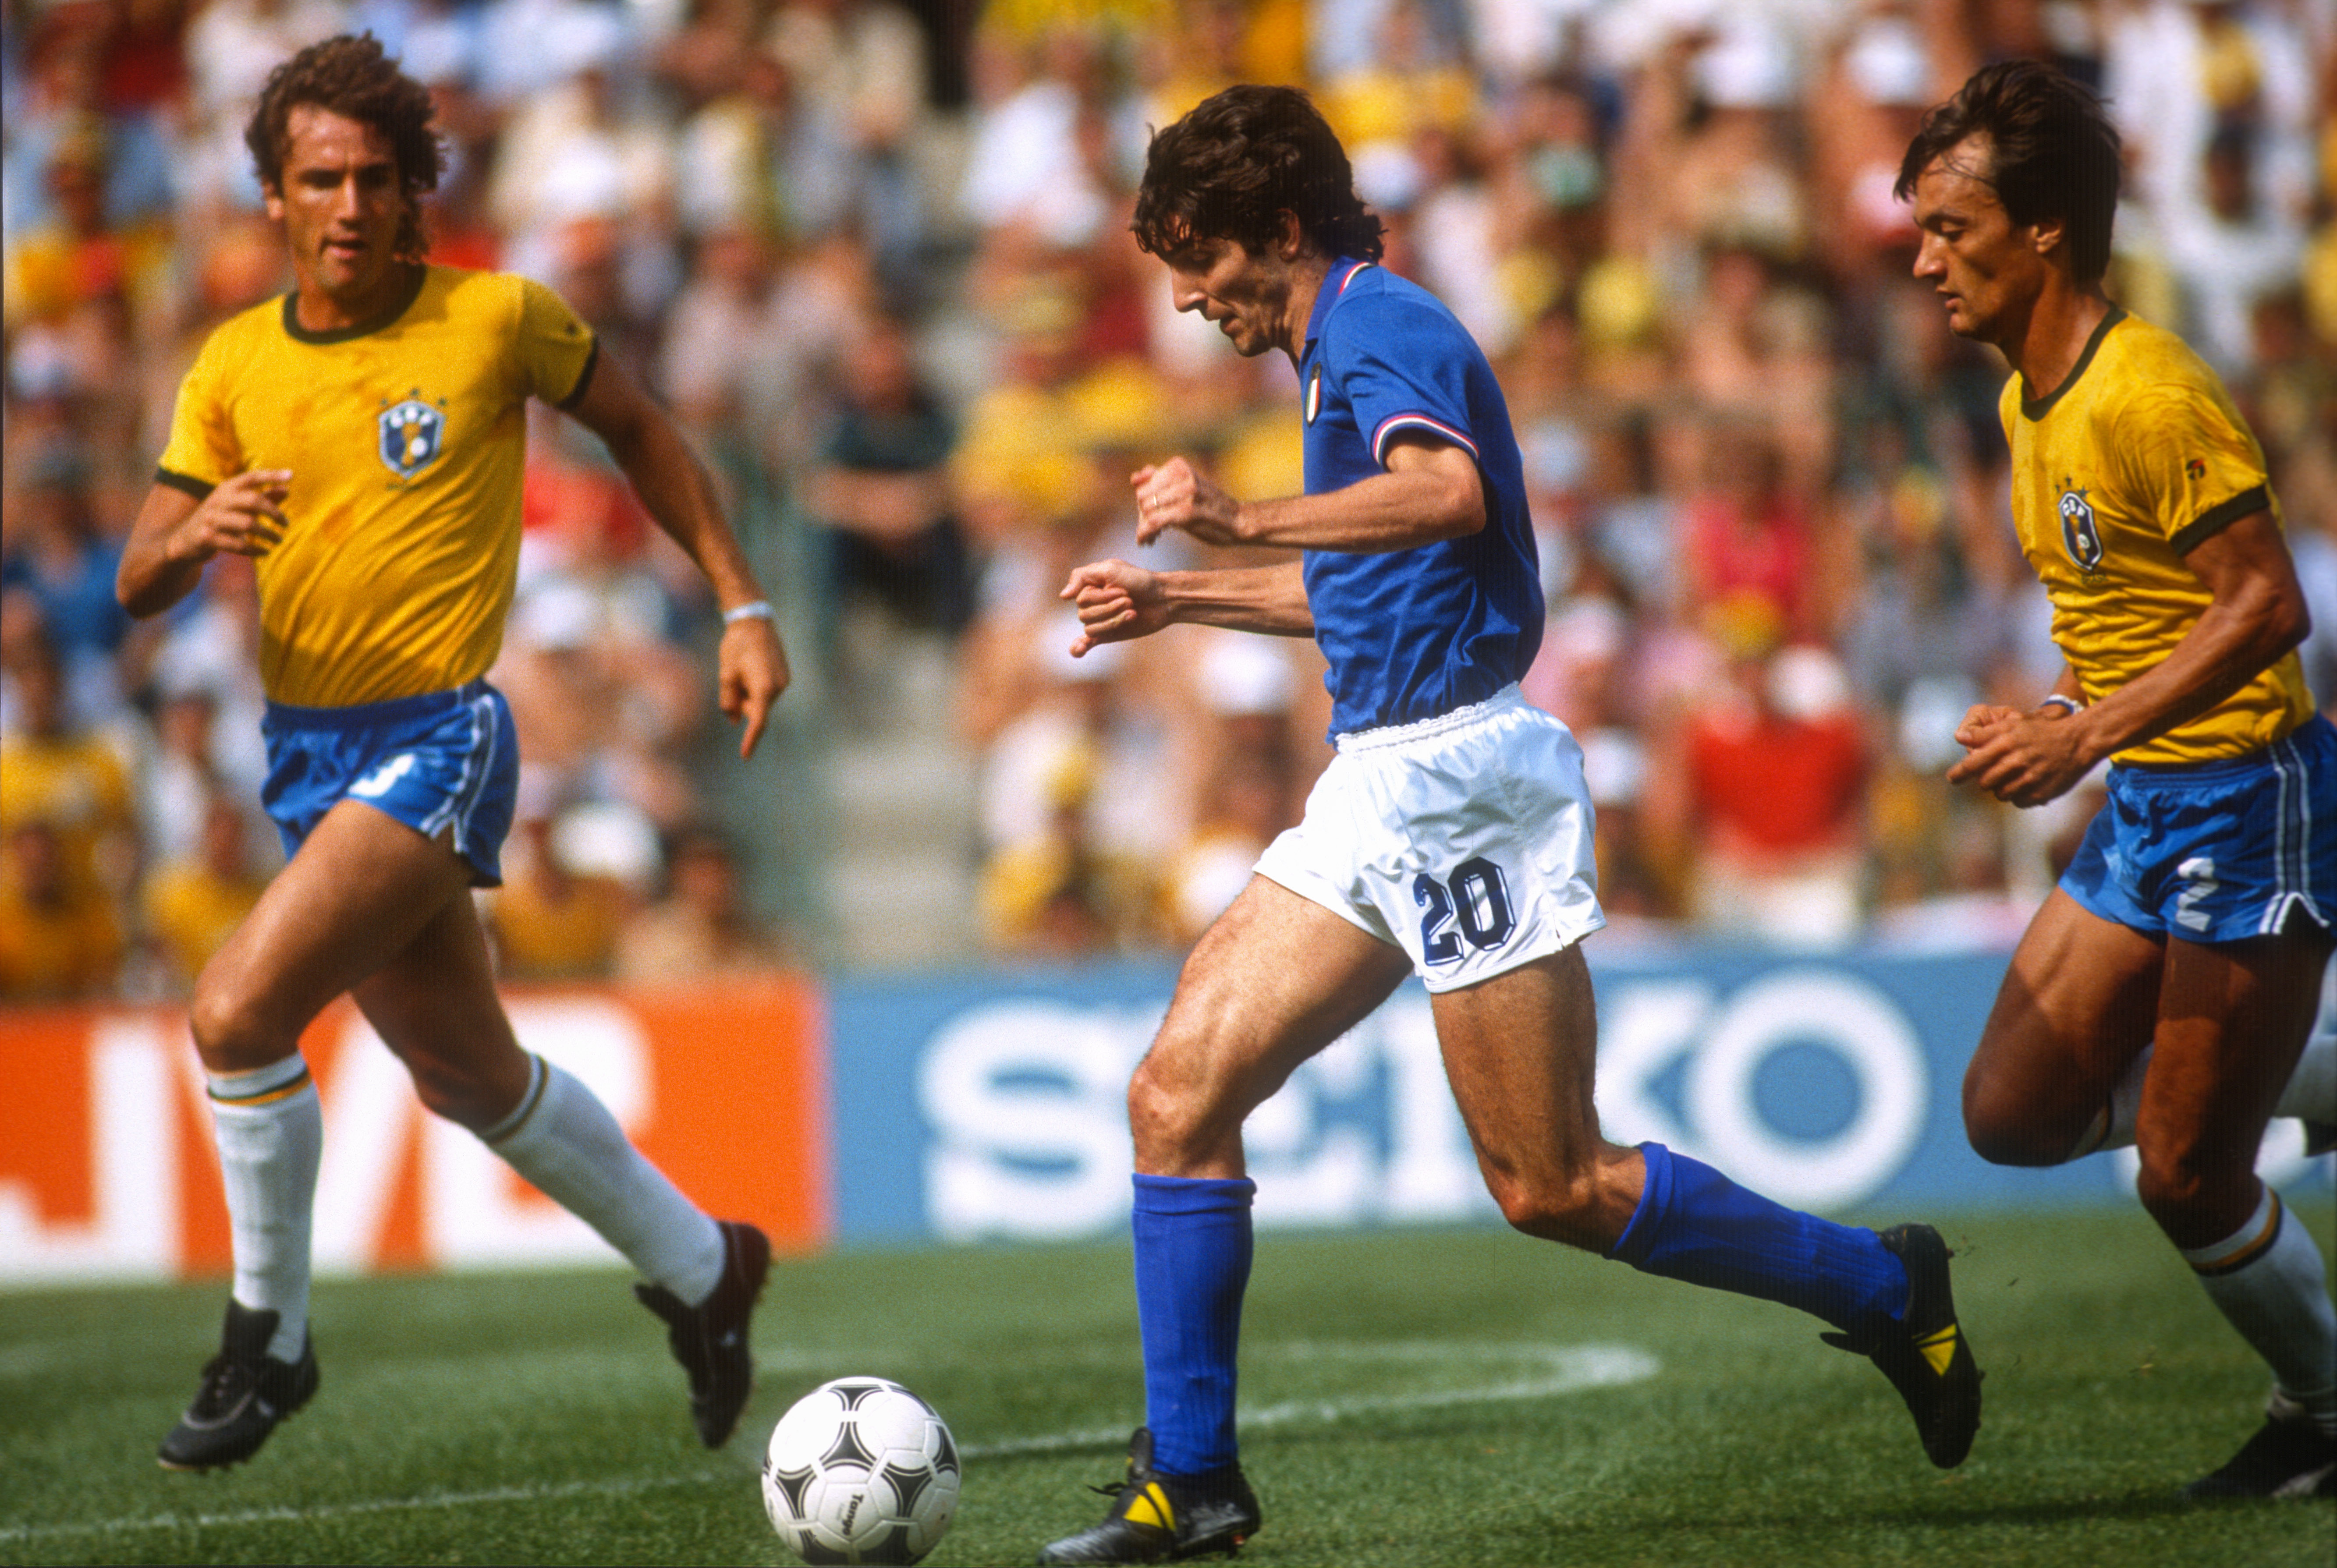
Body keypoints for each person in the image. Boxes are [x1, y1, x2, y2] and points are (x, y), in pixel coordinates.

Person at [1036, 84, 1983, 1566]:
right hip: (1377, 777)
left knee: (1551, 1185)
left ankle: (1883, 1286)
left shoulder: (1382, 325)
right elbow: (1366, 583)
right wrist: (1182, 601)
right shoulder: (1330, 342)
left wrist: (1235, 516)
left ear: (1278, 231)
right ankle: (1194, 1482)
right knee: (1176, 1096)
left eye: (1200, 258)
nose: (1184, 295)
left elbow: (1445, 494)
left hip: (1467, 778)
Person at [115, 35, 792, 1473]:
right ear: (275, 197)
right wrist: (194, 532)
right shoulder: (230, 363)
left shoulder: (494, 320)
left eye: (377, 177)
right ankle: (705, 1268)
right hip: (304, 753)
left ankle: (270, 1341)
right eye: (321, 180)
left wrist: (740, 599)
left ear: (417, 187)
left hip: (442, 733)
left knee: (238, 1012)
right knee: (472, 1078)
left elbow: (646, 432)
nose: (352, 205)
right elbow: (136, 577)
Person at [1904, 60, 2337, 1499]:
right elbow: (2144, 610)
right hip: (2151, 797)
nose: (1923, 259)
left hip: (2246, 799)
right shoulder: (2031, 395)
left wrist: (2085, 735)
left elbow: (2270, 606)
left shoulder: (2145, 392)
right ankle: (2309, 1076)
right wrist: (2071, 712)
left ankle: (2324, 1408)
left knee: (2184, 1176)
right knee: (2010, 1116)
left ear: (2044, 234)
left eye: (1950, 231)